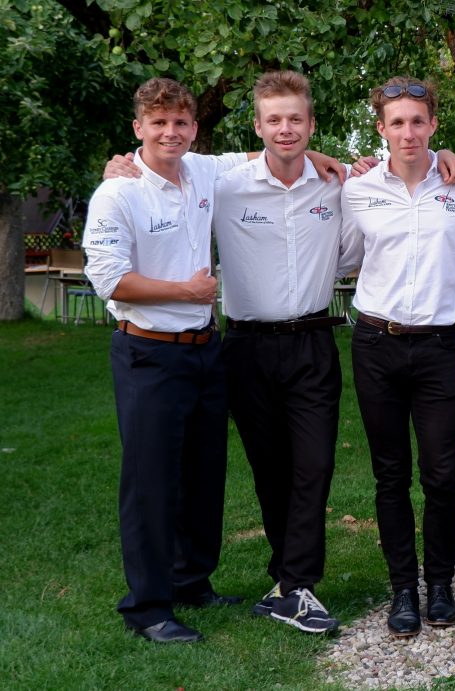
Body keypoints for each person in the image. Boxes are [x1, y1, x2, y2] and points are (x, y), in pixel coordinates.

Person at [84, 77, 249, 643]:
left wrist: (329, 160)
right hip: (148, 353)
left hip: (204, 350)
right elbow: (110, 280)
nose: (170, 132)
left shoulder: (203, 170)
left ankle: (190, 581)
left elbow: (269, 153)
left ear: (194, 128)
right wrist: (186, 291)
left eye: (180, 122)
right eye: (158, 123)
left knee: (203, 473)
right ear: (139, 128)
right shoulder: (118, 193)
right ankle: (149, 608)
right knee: (152, 481)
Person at [213, 70, 363, 634]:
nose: (285, 129)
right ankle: (287, 579)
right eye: (273, 119)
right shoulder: (225, 186)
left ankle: (298, 584)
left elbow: (354, 249)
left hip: (312, 343)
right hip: (246, 347)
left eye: (295, 119)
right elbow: (165, 165)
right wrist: (123, 164)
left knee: (315, 464)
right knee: (270, 469)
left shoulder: (334, 185)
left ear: (311, 124)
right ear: (257, 126)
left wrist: (444, 154)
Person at [340, 76, 455, 638]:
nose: (408, 132)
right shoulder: (358, 190)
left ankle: (440, 586)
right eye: (396, 122)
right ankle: (403, 589)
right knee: (391, 474)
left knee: (441, 474)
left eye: (417, 121)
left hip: (438, 346)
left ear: (433, 125)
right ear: (381, 129)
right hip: (376, 343)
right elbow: (343, 255)